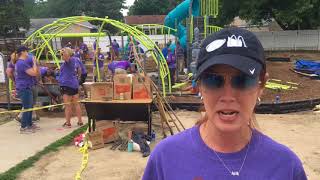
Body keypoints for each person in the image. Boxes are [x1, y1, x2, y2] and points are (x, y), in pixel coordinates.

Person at [142, 28, 307, 179]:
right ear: (198, 85)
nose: (228, 96)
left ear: (261, 85)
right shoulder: (166, 160)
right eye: (213, 80)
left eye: (242, 80)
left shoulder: (286, 168)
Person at [13, 46, 40, 134]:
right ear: (23, 52)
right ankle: (23, 127)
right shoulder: (21, 63)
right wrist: (34, 63)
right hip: (24, 87)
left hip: (27, 86)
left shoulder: (21, 62)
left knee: (30, 106)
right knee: (27, 107)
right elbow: (34, 73)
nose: (28, 53)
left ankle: (29, 124)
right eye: (26, 51)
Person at [59, 47, 83, 128]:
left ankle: (68, 122)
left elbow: (66, 57)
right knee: (76, 104)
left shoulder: (70, 60)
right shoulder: (74, 60)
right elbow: (79, 69)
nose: (62, 54)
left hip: (67, 84)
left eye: (64, 53)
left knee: (67, 105)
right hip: (73, 84)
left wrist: (63, 51)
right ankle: (80, 121)